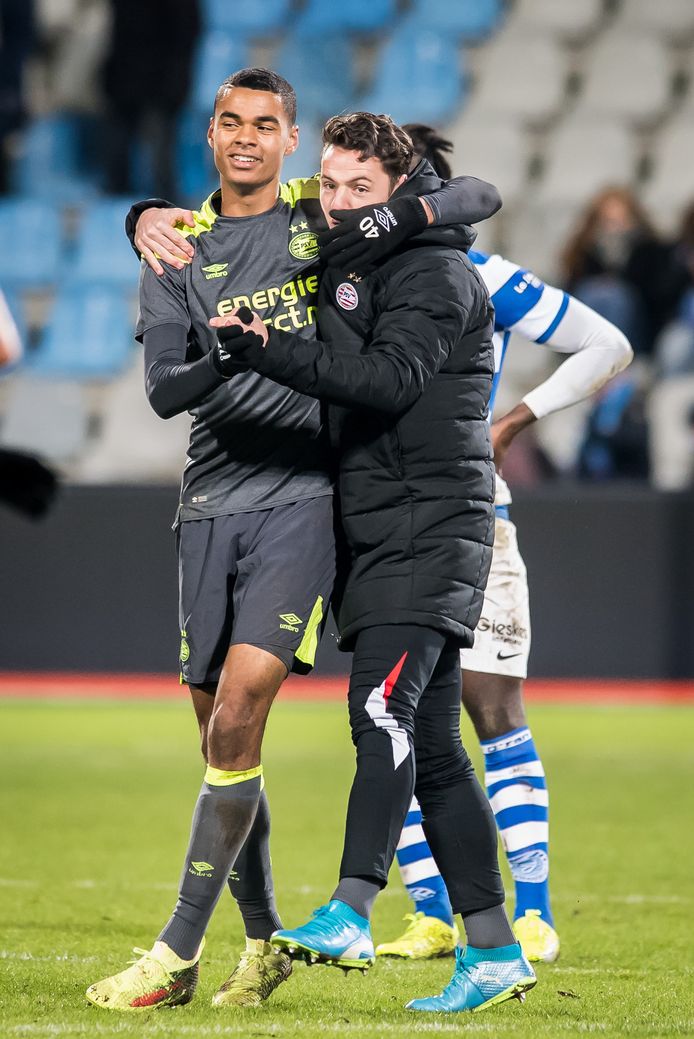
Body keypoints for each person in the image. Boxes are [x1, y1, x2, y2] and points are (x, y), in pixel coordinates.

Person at [86, 68, 502, 1013]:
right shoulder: (175, 248)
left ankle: (185, 948)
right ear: (211, 135)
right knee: (223, 739)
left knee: (245, 705)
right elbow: (162, 390)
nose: (246, 139)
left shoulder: (324, 214)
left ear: (290, 138)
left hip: (309, 494)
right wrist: (150, 231)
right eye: (230, 123)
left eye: (265, 124)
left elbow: (470, 195)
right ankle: (267, 938)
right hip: (209, 499)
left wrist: (268, 333)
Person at [214, 111, 537, 1016]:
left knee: (380, 706)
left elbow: (393, 382)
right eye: (333, 184)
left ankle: (353, 903)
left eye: (362, 186)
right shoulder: (354, 261)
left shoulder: (435, 271)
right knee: (434, 749)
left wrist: (271, 350)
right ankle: (494, 951)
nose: (342, 201)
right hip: (387, 525)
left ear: (398, 191)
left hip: (432, 523)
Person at [370, 125, 634, 965]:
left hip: (473, 512)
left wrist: (515, 418)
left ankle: (534, 911)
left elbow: (608, 343)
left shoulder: (481, 277)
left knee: (491, 710)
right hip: (377, 516)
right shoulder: (344, 276)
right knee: (392, 715)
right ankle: (430, 910)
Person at [561, 187, 681, 357]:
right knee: (596, 293)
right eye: (608, 221)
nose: (615, 227)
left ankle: (612, 355)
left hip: (638, 326)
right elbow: (571, 290)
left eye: (621, 220)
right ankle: (589, 354)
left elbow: (657, 296)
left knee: (615, 297)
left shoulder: (650, 249)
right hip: (593, 310)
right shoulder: (583, 251)